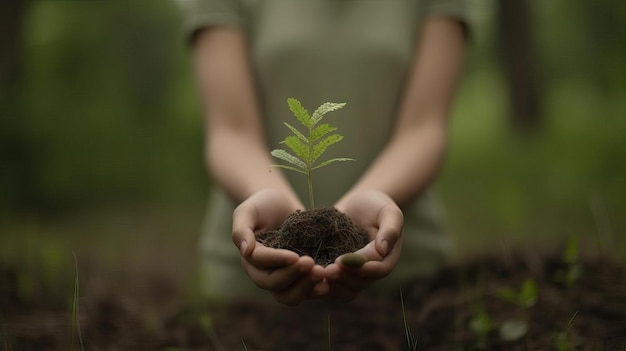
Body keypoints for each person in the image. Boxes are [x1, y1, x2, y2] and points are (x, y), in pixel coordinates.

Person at [184, 0, 469, 305]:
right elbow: (230, 131)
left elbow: (424, 128)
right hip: (248, 288)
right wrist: (274, 205)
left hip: (406, 284)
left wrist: (363, 208)